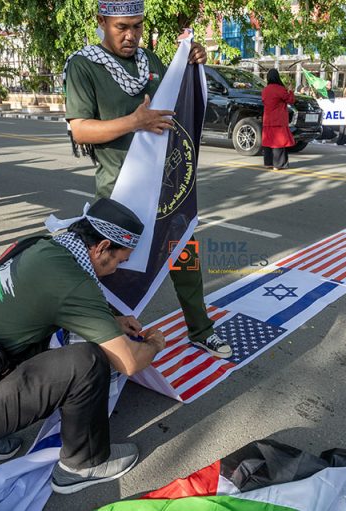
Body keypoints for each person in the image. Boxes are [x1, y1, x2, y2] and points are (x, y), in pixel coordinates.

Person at [0, 198, 166, 494]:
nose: (115, 271)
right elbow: (131, 362)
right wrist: (155, 344)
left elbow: (55, 303)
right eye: (120, 261)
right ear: (100, 247)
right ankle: (82, 464)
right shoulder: (72, 282)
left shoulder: (41, 247)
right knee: (88, 360)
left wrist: (111, 320)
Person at [64, 0, 231, 359]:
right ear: (102, 22)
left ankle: (201, 329)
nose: (131, 35)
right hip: (118, 192)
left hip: (164, 187)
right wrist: (133, 122)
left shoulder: (149, 62)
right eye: (121, 27)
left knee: (185, 254)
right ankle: (108, 342)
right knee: (110, 271)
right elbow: (79, 130)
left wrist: (190, 61)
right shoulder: (83, 66)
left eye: (137, 26)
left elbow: (174, 94)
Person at [261, 69, 295, 170]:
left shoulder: (265, 90)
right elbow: (291, 100)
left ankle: (268, 163)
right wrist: (291, 91)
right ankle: (278, 164)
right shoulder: (280, 89)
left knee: (268, 142)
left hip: (267, 119)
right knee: (278, 142)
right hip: (278, 120)